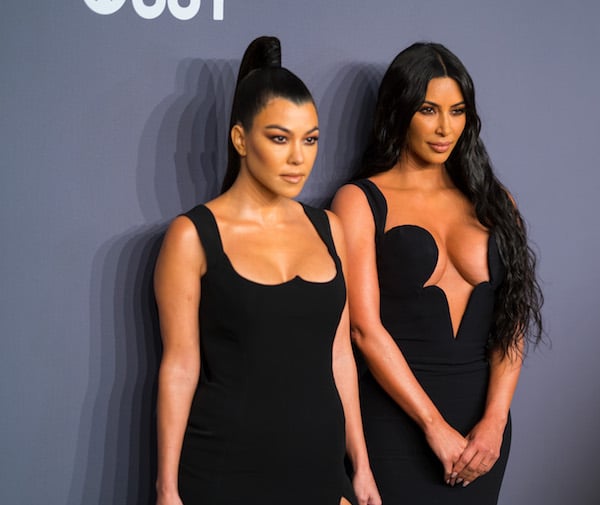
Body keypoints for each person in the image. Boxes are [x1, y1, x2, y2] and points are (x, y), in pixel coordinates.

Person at [154, 36, 380, 505]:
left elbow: (340, 358)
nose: (299, 157)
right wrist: (167, 489)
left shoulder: (330, 230)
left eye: (311, 139)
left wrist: (360, 468)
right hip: (223, 469)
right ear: (241, 138)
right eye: (279, 138)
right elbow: (180, 365)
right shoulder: (193, 236)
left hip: (317, 468)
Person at [331, 42, 543, 504]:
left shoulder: (495, 202)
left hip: (481, 437)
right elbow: (364, 331)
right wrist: (434, 427)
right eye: (429, 110)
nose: (445, 127)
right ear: (400, 110)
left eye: (457, 110)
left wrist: (495, 422)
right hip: (395, 426)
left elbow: (512, 320)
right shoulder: (360, 201)